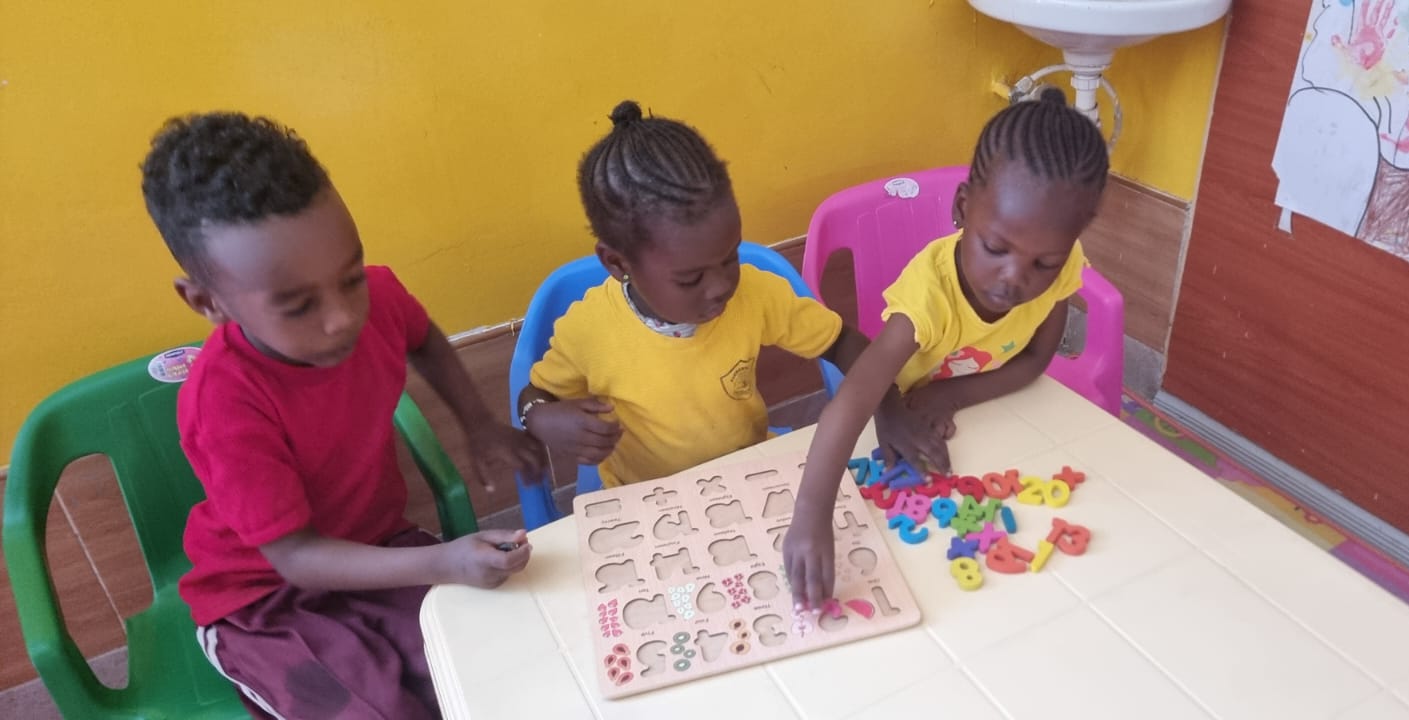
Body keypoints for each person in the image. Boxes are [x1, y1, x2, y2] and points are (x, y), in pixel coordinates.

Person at [141, 112, 542, 719]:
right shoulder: (223, 401)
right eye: (298, 305)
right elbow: (296, 557)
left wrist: (480, 425)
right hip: (263, 599)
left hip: (377, 546)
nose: (341, 317)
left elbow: (424, 337)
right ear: (208, 302)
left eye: (349, 277)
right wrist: (443, 559)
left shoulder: (377, 298)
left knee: (495, 666)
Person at [783, 88, 1110, 608]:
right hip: (898, 428)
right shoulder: (929, 296)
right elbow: (852, 399)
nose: (1014, 279)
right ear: (963, 209)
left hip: (988, 421)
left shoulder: (1062, 264)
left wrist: (952, 395)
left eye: (1043, 264)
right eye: (995, 248)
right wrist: (811, 515)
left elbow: (1034, 361)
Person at [518, 100, 877, 488]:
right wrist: (540, 417)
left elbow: (841, 341)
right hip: (647, 501)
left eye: (730, 257)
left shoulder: (755, 294)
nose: (722, 285)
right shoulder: (588, 331)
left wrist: (888, 403)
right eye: (690, 279)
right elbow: (536, 394)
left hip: (749, 474)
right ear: (618, 264)